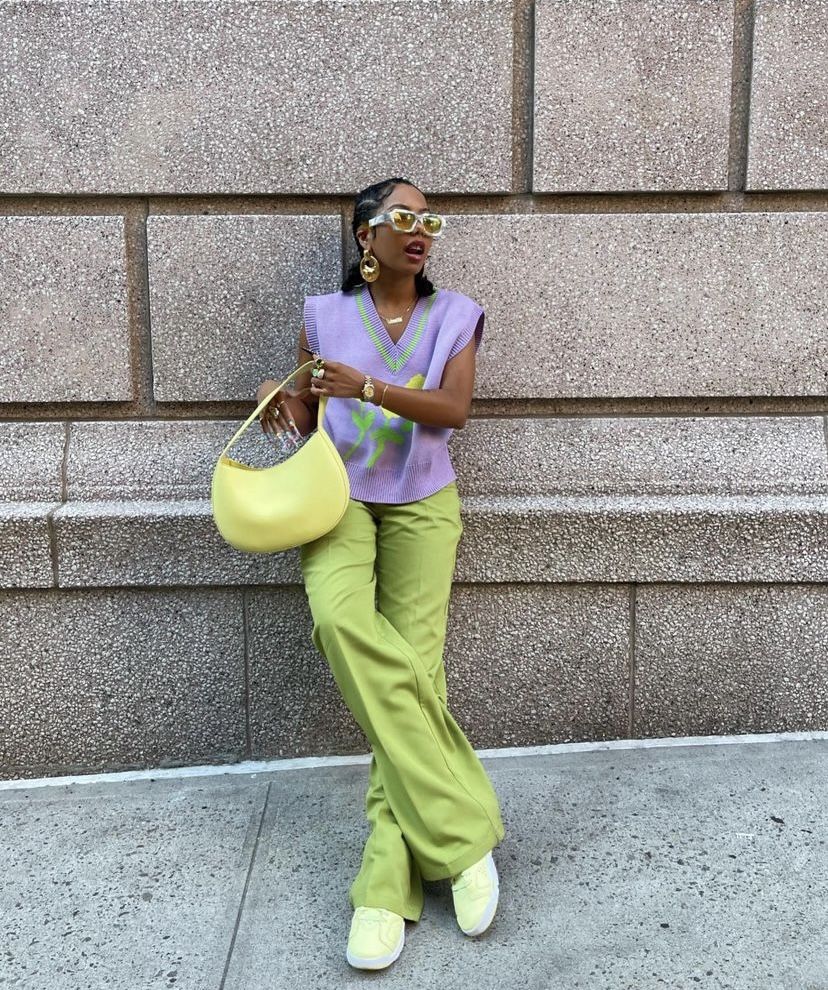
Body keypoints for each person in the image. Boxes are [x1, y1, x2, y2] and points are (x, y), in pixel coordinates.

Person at [255, 176, 506, 970]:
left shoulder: (453, 314)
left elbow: (453, 410)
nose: (420, 229)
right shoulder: (322, 316)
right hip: (339, 496)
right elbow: (305, 414)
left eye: (429, 219)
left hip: (426, 501)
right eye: (403, 217)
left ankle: (382, 886)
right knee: (338, 620)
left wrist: (366, 386)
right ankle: (464, 836)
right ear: (365, 233)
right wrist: (277, 395)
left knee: (416, 670)